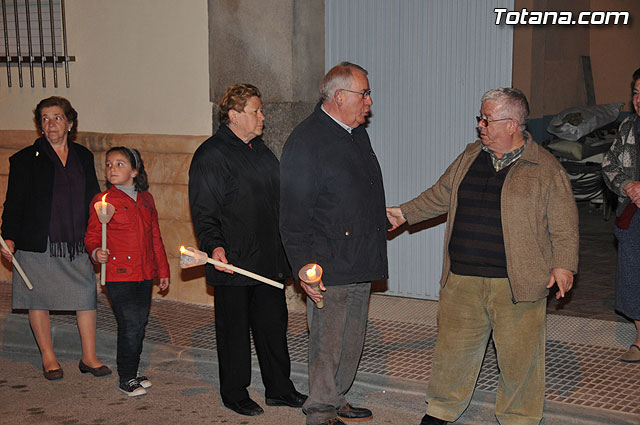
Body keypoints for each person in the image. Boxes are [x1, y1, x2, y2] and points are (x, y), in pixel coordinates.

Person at [386, 88, 579, 425]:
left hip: (517, 284)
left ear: (513, 125)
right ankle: (441, 409)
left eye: (487, 119)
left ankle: (519, 417)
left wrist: (563, 266)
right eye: (481, 118)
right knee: (453, 353)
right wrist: (405, 212)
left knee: (520, 360)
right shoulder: (470, 156)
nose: (480, 125)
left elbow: (564, 223)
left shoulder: (545, 168)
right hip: (462, 278)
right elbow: (441, 194)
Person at [280, 62, 389, 425]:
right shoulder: (307, 140)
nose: (370, 102)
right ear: (340, 96)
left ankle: (337, 396)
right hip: (328, 262)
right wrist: (303, 267)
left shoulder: (355, 133)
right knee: (327, 342)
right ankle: (320, 410)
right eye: (364, 94)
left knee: (351, 339)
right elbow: (293, 212)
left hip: (359, 257)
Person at [188, 83, 306, 416]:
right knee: (234, 332)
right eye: (256, 110)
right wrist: (215, 247)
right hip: (234, 262)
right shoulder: (211, 155)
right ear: (234, 115)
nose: (262, 116)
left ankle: (279, 389)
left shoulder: (260, 149)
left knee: (272, 327)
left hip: (268, 260)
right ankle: (234, 392)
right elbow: (203, 210)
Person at [0, 96, 111, 380]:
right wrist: (8, 236)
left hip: (77, 240)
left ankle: (89, 356)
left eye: (57, 118)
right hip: (38, 241)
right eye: (45, 119)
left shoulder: (83, 156)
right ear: (39, 125)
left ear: (70, 123)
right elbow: (13, 202)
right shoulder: (25, 159)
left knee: (86, 295)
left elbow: (93, 197)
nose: (50, 124)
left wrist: (101, 228)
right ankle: (49, 357)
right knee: (39, 298)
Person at [84, 147, 170, 396]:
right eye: (109, 164)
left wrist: (162, 270)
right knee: (130, 323)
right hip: (118, 273)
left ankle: (132, 371)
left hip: (143, 273)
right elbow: (91, 236)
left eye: (120, 164)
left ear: (134, 171)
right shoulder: (104, 201)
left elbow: (155, 237)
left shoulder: (146, 199)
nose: (112, 169)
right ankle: (126, 377)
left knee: (139, 323)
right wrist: (95, 252)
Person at [602, 67, 640, 364]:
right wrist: (627, 185)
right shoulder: (628, 126)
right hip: (632, 214)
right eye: (636, 93)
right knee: (632, 276)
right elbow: (609, 164)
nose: (639, 99)